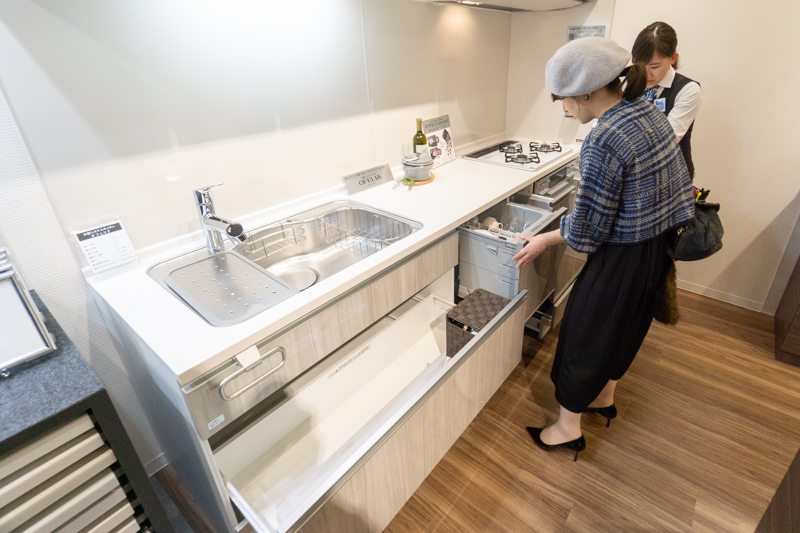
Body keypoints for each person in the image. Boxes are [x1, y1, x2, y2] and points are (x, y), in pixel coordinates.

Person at [512, 37, 694, 461]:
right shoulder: (646, 112)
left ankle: (566, 429)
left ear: (587, 92)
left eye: (562, 97)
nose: (562, 107)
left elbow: (588, 231)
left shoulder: (604, 138)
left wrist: (543, 238)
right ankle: (603, 399)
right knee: (624, 329)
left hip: (622, 256)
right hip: (655, 249)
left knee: (584, 335)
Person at [633, 22, 702, 180]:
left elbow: (665, 140)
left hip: (671, 179)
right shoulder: (632, 83)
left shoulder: (688, 90)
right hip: (635, 177)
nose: (646, 74)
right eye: (640, 66)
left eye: (654, 66)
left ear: (673, 58)